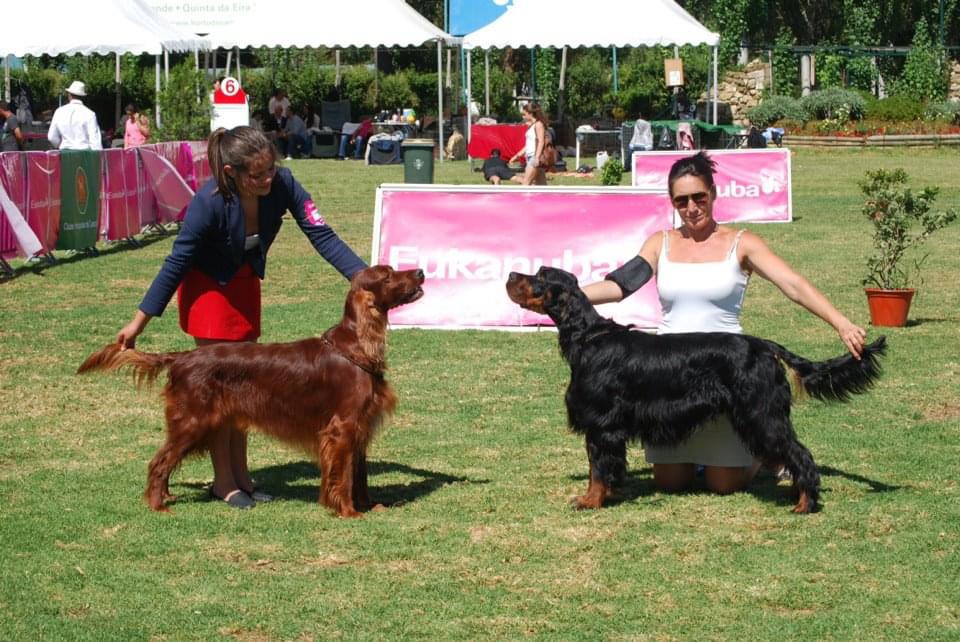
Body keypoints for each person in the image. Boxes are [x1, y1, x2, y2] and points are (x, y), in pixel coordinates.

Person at [581, 151, 867, 497]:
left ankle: (762, 454)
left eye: (699, 197)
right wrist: (567, 297)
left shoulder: (741, 243)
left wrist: (840, 322)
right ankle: (725, 453)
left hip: (725, 371)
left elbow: (793, 285)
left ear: (713, 194)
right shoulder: (661, 243)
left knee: (723, 485)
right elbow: (620, 285)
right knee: (670, 483)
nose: (691, 208)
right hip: (670, 376)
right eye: (681, 200)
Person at [114, 125, 367, 509]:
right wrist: (139, 321)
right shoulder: (208, 201)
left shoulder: (283, 183)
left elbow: (322, 234)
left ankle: (243, 478)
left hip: (245, 284)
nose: (268, 178)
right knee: (221, 389)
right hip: (209, 290)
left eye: (270, 169)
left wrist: (365, 280)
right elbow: (177, 261)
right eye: (258, 174)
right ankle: (224, 482)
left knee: (244, 388)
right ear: (232, 172)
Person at [47, 81, 102, 150]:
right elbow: (95, 141)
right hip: (85, 155)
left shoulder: (59, 111)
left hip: (65, 153)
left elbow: (51, 137)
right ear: (83, 97)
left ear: (69, 95)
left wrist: (60, 145)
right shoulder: (90, 114)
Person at [509, 102, 549, 186]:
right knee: (541, 187)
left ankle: (522, 199)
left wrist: (537, 158)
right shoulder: (532, 125)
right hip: (532, 157)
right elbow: (528, 145)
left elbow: (541, 141)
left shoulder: (538, 125)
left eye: (524, 114)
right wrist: (517, 156)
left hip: (534, 158)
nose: (523, 116)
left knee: (526, 184)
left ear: (530, 113)